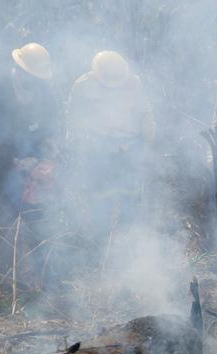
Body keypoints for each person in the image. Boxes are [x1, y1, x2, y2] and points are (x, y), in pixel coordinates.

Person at [0, 42, 62, 290]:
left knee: (39, 222)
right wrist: (13, 161)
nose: (34, 81)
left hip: (35, 172)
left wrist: (40, 157)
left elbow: (54, 129)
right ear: (19, 69)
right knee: (5, 226)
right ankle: (10, 288)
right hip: (1, 171)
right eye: (30, 76)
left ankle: (47, 283)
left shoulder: (46, 94)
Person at [66, 50, 155, 247]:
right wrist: (80, 146)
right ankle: (101, 245)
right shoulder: (83, 85)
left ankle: (128, 246)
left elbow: (146, 115)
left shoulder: (134, 83)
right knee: (100, 200)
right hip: (98, 150)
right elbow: (74, 118)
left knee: (130, 199)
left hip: (130, 148)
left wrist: (147, 147)